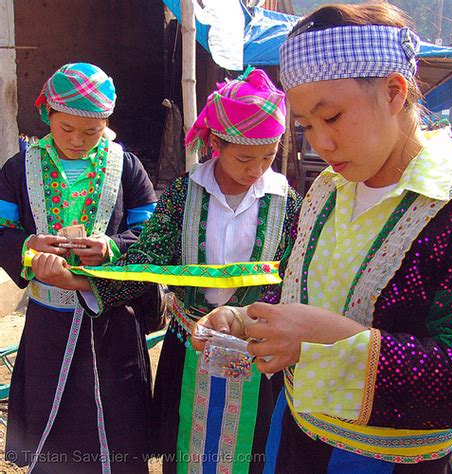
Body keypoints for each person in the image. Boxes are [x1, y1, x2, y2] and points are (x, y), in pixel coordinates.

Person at [192, 3, 452, 473]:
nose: (318, 143)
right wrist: (246, 318)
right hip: (295, 440)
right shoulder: (327, 189)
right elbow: (302, 290)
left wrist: (330, 343)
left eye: (333, 117)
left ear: (393, 92)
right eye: (304, 126)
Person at [29, 67, 302, 473]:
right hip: (189, 341)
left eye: (267, 156)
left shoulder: (288, 202)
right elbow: (146, 258)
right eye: (244, 157)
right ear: (215, 144)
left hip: (258, 348)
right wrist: (76, 280)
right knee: (185, 447)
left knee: (255, 450)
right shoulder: (185, 194)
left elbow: (295, 276)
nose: (256, 168)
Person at [0, 63, 159, 473]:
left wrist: (111, 247)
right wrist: (29, 247)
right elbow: (1, 228)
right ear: (46, 116)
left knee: (116, 418)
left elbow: (150, 234)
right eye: (66, 128)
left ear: (107, 123)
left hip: (113, 322)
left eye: (90, 132)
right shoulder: (19, 169)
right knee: (55, 424)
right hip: (47, 320)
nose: (77, 141)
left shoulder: (127, 167)